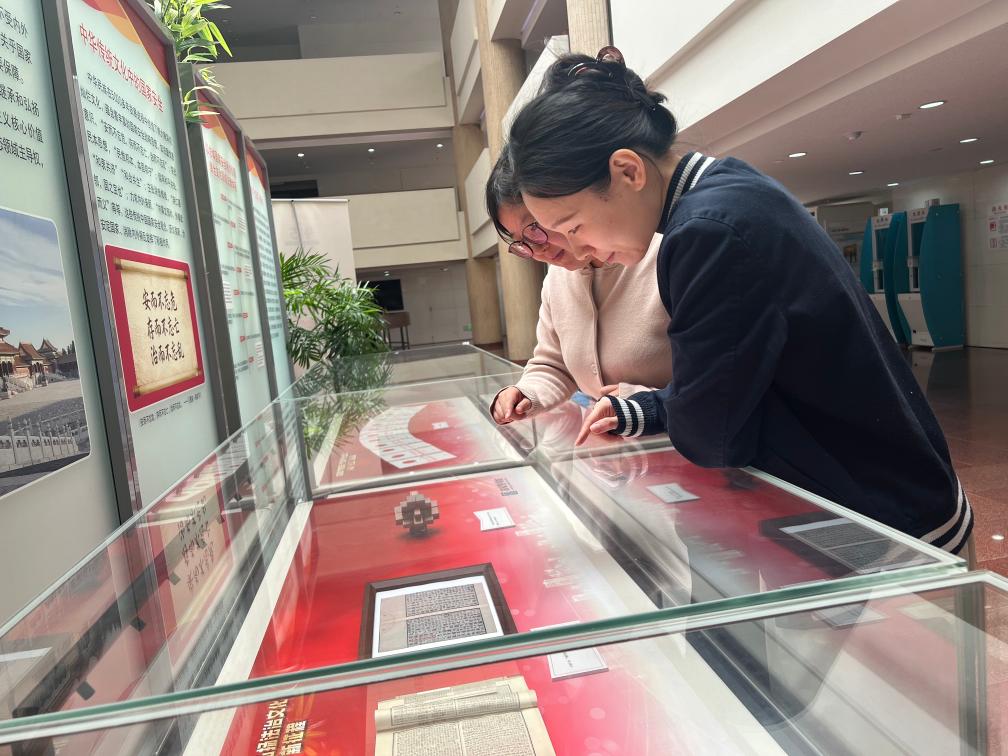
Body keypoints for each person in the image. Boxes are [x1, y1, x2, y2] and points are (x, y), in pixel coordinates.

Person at [503, 48, 972, 556]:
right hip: (889, 497)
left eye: (574, 227)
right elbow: (723, 393)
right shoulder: (726, 190)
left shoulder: (706, 232)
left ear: (628, 171)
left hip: (887, 527)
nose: (578, 251)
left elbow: (710, 433)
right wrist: (660, 406)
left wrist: (676, 406)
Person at [485, 149, 672, 424]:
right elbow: (554, 363)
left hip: (680, 433)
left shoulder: (664, 253)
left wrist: (641, 404)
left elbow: (714, 376)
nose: (538, 250)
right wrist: (525, 393)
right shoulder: (556, 279)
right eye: (521, 242)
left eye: (536, 227)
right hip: (619, 440)